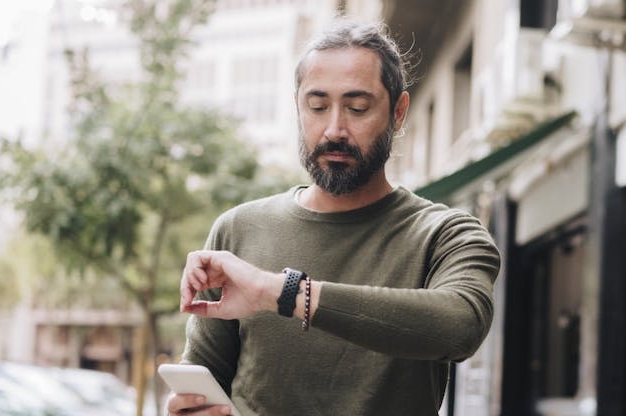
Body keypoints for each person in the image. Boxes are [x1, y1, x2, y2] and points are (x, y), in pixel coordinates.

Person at [166, 21, 501, 415]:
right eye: (318, 106)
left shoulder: (447, 235)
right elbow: (203, 384)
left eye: (358, 107)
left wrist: (283, 293)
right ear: (297, 106)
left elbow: (461, 326)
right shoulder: (238, 230)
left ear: (398, 112)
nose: (334, 129)